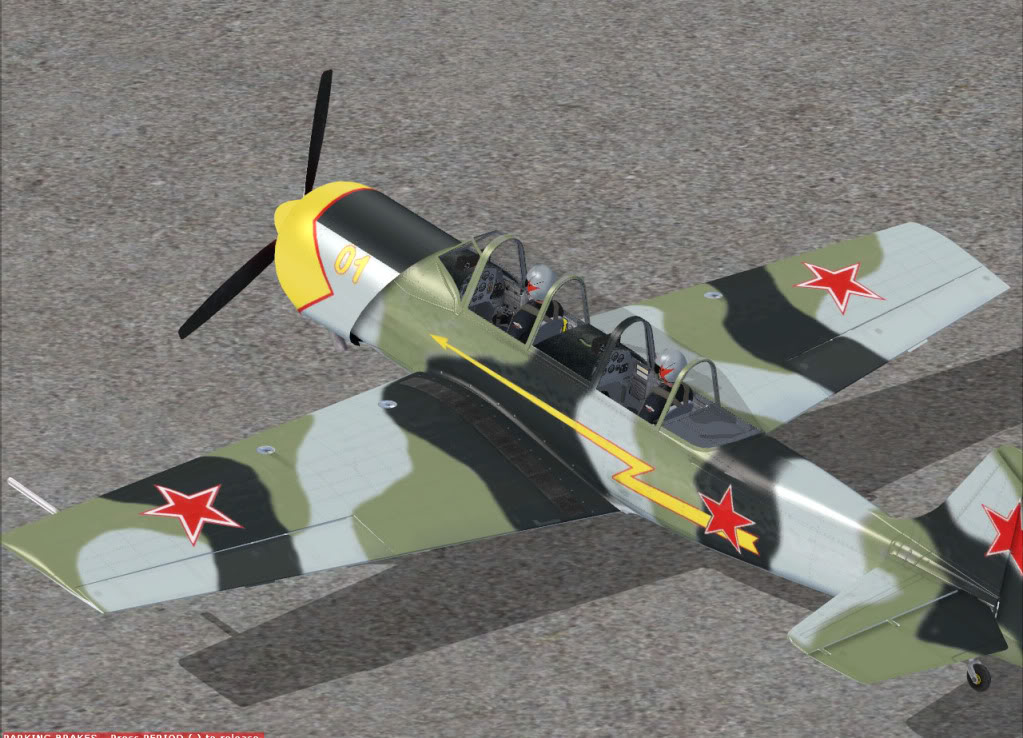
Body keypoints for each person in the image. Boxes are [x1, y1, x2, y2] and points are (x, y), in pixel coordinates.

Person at [507, 264, 565, 341]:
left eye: (528, 284)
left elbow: (509, 339)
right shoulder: (557, 307)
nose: (527, 287)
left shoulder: (524, 315)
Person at [639, 348, 691, 422]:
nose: (659, 371)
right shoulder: (688, 391)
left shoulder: (655, 398)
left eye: (661, 369)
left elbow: (642, 421)